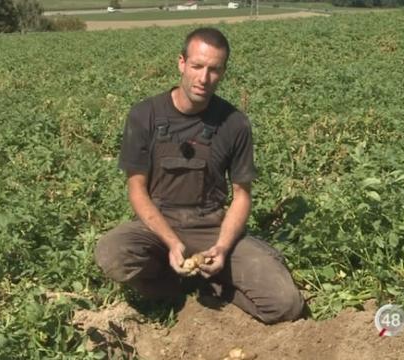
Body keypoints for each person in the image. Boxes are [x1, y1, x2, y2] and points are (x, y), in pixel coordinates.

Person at [94, 27, 304, 324]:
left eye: (214, 70)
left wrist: (221, 247)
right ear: (181, 62)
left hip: (212, 227)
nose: (204, 79)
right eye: (197, 67)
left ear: (223, 71)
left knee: (286, 304)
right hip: (159, 225)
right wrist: (170, 241)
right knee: (112, 253)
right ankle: (171, 289)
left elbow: (242, 196)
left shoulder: (235, 124)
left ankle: (213, 283)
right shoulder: (145, 115)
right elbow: (137, 190)